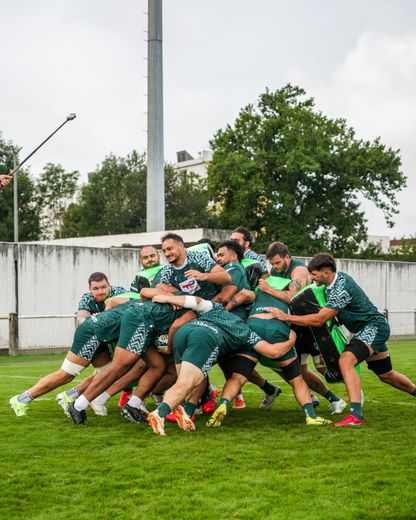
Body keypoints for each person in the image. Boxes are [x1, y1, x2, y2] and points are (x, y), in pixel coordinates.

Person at [146, 293, 331, 436]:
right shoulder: (245, 330)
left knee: (185, 381)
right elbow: (272, 352)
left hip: (183, 332)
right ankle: (159, 414)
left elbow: (196, 301)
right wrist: (292, 340)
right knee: (186, 383)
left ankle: (182, 411)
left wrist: (167, 298)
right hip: (205, 337)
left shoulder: (218, 309)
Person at [270, 252, 416, 427]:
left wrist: (286, 317)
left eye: (314, 274)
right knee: (386, 375)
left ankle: (355, 415)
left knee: (346, 360)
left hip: (374, 327)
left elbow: (320, 319)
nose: (311, 278)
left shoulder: (341, 286)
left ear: (326, 273)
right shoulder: (328, 285)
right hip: (365, 330)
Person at [261, 242, 346, 413]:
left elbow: (292, 296)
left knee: (324, 366)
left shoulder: (298, 269)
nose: (275, 267)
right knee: (297, 369)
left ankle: (355, 391)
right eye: (272, 264)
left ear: (287, 257)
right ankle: (333, 399)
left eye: (277, 262)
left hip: (311, 325)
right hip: (295, 325)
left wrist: (269, 289)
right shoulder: (275, 272)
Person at [9, 302, 133, 416]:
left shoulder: (138, 299)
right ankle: (20, 400)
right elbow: (113, 301)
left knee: (108, 374)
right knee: (66, 374)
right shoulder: (139, 298)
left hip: (101, 335)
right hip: (92, 333)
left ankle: (69, 396)